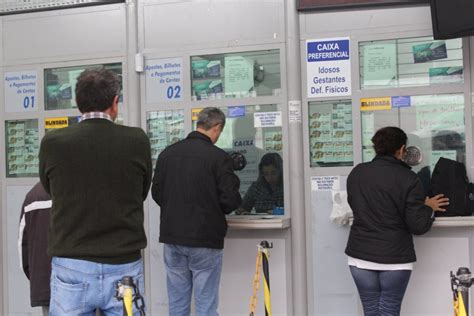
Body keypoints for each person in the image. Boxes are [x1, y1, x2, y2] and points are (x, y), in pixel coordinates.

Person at [39, 68, 152, 316]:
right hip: (124, 265)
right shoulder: (136, 140)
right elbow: (142, 191)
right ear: (115, 102)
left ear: (78, 102)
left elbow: (50, 189)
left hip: (71, 263)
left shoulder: (53, 142)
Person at [345, 126, 449, 316]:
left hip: (360, 256)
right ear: (402, 150)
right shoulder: (409, 178)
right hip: (395, 259)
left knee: (371, 311)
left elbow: (361, 204)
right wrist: (428, 207)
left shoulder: (357, 173)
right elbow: (417, 225)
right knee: (389, 310)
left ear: (376, 148)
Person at [151, 107, 241, 316]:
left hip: (172, 239)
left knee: (177, 305)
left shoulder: (167, 154)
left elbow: (157, 194)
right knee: (206, 306)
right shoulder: (218, 158)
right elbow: (229, 201)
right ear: (217, 128)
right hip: (205, 240)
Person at [18, 182, 52, 315]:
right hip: (80, 281)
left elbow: (23, 251)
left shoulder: (32, 196)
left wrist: (37, 278)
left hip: (46, 284)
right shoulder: (78, 190)